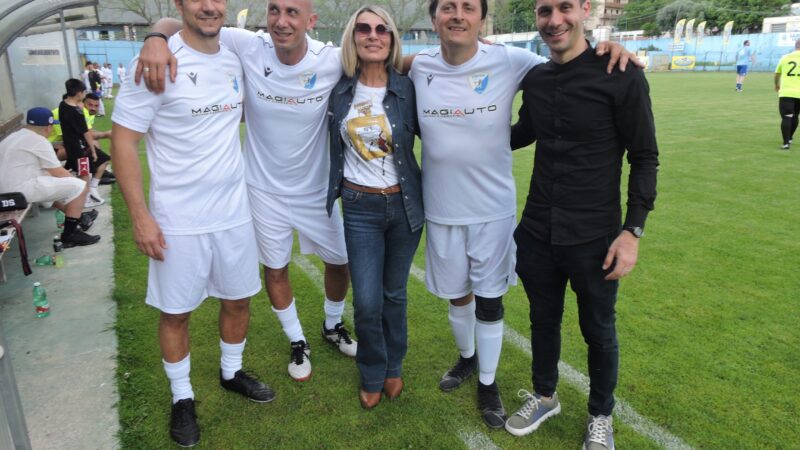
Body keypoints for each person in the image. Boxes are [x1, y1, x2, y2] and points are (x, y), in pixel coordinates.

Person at [407, 0, 633, 429]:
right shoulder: (418, 66)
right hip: (440, 207)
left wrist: (612, 46)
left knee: (490, 299)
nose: (457, 15)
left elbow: (569, 59)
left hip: (492, 209)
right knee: (458, 295)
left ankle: (488, 384)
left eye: (467, 7)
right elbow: (383, 58)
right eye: (447, 8)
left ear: (481, 18)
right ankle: (468, 359)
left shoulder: (512, 60)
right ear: (433, 17)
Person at [137, 0, 357, 382]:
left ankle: (332, 324)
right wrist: (156, 36)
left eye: (292, 13)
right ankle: (297, 340)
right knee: (276, 270)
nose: (282, 21)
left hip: (316, 192)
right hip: (261, 190)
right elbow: (187, 21)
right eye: (274, 11)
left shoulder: (332, 59)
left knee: (341, 264)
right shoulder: (247, 45)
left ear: (311, 20)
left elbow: (384, 60)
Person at [111, 0, 275, 447]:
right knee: (176, 312)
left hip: (233, 214)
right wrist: (140, 217)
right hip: (177, 219)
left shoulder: (236, 53)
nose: (208, 6)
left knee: (238, 301)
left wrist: (156, 31)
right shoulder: (154, 63)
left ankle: (230, 371)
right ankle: (182, 397)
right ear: (181, 4)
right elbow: (124, 141)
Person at [503, 0, 659, 448]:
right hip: (536, 230)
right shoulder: (536, 78)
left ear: (585, 9)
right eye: (544, 10)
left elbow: (644, 156)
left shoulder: (621, 73)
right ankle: (545, 395)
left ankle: (600, 416)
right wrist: (455, 125)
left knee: (598, 330)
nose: (554, 20)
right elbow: (521, 133)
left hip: (596, 235)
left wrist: (632, 232)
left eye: (564, 7)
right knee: (542, 319)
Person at [327, 5, 422, 409]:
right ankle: (371, 371)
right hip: (360, 207)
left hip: (404, 206)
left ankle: (393, 366)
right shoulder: (339, 90)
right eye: (364, 28)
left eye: (382, 29)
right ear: (353, 37)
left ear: (392, 38)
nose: (373, 35)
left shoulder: (409, 88)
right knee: (367, 300)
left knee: (394, 295)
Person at [0, 108, 99, 247]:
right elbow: (58, 173)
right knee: (79, 186)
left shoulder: (14, 136)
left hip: (5, 191)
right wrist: (78, 183)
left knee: (47, 178)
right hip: (17, 193)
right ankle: (70, 234)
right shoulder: (39, 141)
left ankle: (78, 217)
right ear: (48, 127)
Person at [58, 79, 109, 207]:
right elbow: (85, 133)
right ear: (79, 93)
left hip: (70, 145)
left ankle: (87, 194)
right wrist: (92, 150)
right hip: (79, 147)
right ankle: (85, 200)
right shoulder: (77, 111)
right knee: (85, 174)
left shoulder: (62, 105)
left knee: (82, 172)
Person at [774, 39, 800, 150]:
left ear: (796, 46)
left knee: (787, 116)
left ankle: (786, 143)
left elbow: (777, 74)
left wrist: (776, 85)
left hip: (787, 92)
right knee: (795, 116)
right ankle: (789, 138)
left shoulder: (785, 57)